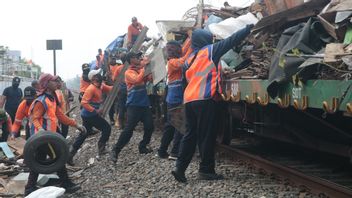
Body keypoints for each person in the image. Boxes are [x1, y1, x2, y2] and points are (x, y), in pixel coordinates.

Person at [171, 25, 253, 183]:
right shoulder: (210, 50)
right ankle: (206, 170)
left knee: (190, 135)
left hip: (189, 101)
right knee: (206, 136)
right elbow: (231, 41)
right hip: (205, 99)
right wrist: (248, 28)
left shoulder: (189, 59)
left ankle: (179, 168)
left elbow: (183, 83)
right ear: (206, 39)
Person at [25, 73, 85, 196]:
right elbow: (34, 118)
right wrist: (41, 129)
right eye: (53, 81)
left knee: (39, 161)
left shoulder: (51, 99)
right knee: (59, 157)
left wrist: (76, 125)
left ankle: (29, 188)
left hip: (51, 136)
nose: (56, 83)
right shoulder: (41, 101)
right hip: (43, 138)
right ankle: (66, 183)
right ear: (46, 85)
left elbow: (60, 116)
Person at [110, 51, 153, 163]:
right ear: (131, 60)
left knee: (149, 126)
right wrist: (145, 67)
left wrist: (150, 72)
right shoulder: (128, 72)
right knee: (129, 130)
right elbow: (137, 80)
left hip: (144, 104)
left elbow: (148, 79)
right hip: (133, 106)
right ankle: (116, 150)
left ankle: (143, 146)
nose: (139, 58)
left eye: (139, 56)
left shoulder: (140, 70)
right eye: (136, 57)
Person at [157, 38, 192, 160]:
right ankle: (175, 152)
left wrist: (190, 39)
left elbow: (183, 51)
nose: (170, 52)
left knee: (171, 126)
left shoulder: (172, 60)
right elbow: (183, 62)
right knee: (179, 125)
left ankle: (162, 151)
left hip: (173, 98)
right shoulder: (172, 62)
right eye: (169, 49)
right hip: (175, 98)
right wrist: (191, 49)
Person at [68, 69, 112, 165]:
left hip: (87, 115)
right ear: (93, 79)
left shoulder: (100, 86)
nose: (100, 76)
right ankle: (101, 148)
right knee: (107, 128)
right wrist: (95, 110)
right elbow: (84, 103)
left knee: (84, 134)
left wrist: (119, 85)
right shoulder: (91, 89)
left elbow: (110, 88)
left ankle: (70, 154)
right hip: (90, 115)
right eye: (97, 75)